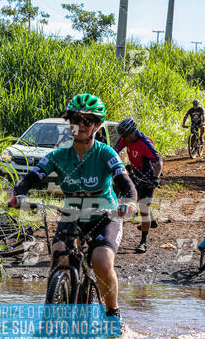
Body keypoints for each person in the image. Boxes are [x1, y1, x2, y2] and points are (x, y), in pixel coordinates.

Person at [9, 93, 137, 318]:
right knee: (59, 254)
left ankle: (112, 312)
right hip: (72, 216)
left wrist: (129, 203)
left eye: (87, 120)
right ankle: (54, 303)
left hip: (105, 216)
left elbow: (126, 184)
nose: (80, 125)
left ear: (97, 125)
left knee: (101, 260)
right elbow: (31, 178)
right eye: (75, 119)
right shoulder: (58, 156)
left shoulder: (105, 153)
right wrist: (18, 195)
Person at [114, 118, 163, 254]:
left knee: (143, 209)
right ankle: (151, 220)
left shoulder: (145, 142)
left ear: (133, 133)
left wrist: (155, 179)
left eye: (125, 136)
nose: (123, 139)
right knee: (128, 196)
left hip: (149, 175)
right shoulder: (125, 137)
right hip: (135, 172)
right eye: (122, 137)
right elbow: (114, 151)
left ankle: (143, 242)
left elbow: (159, 162)